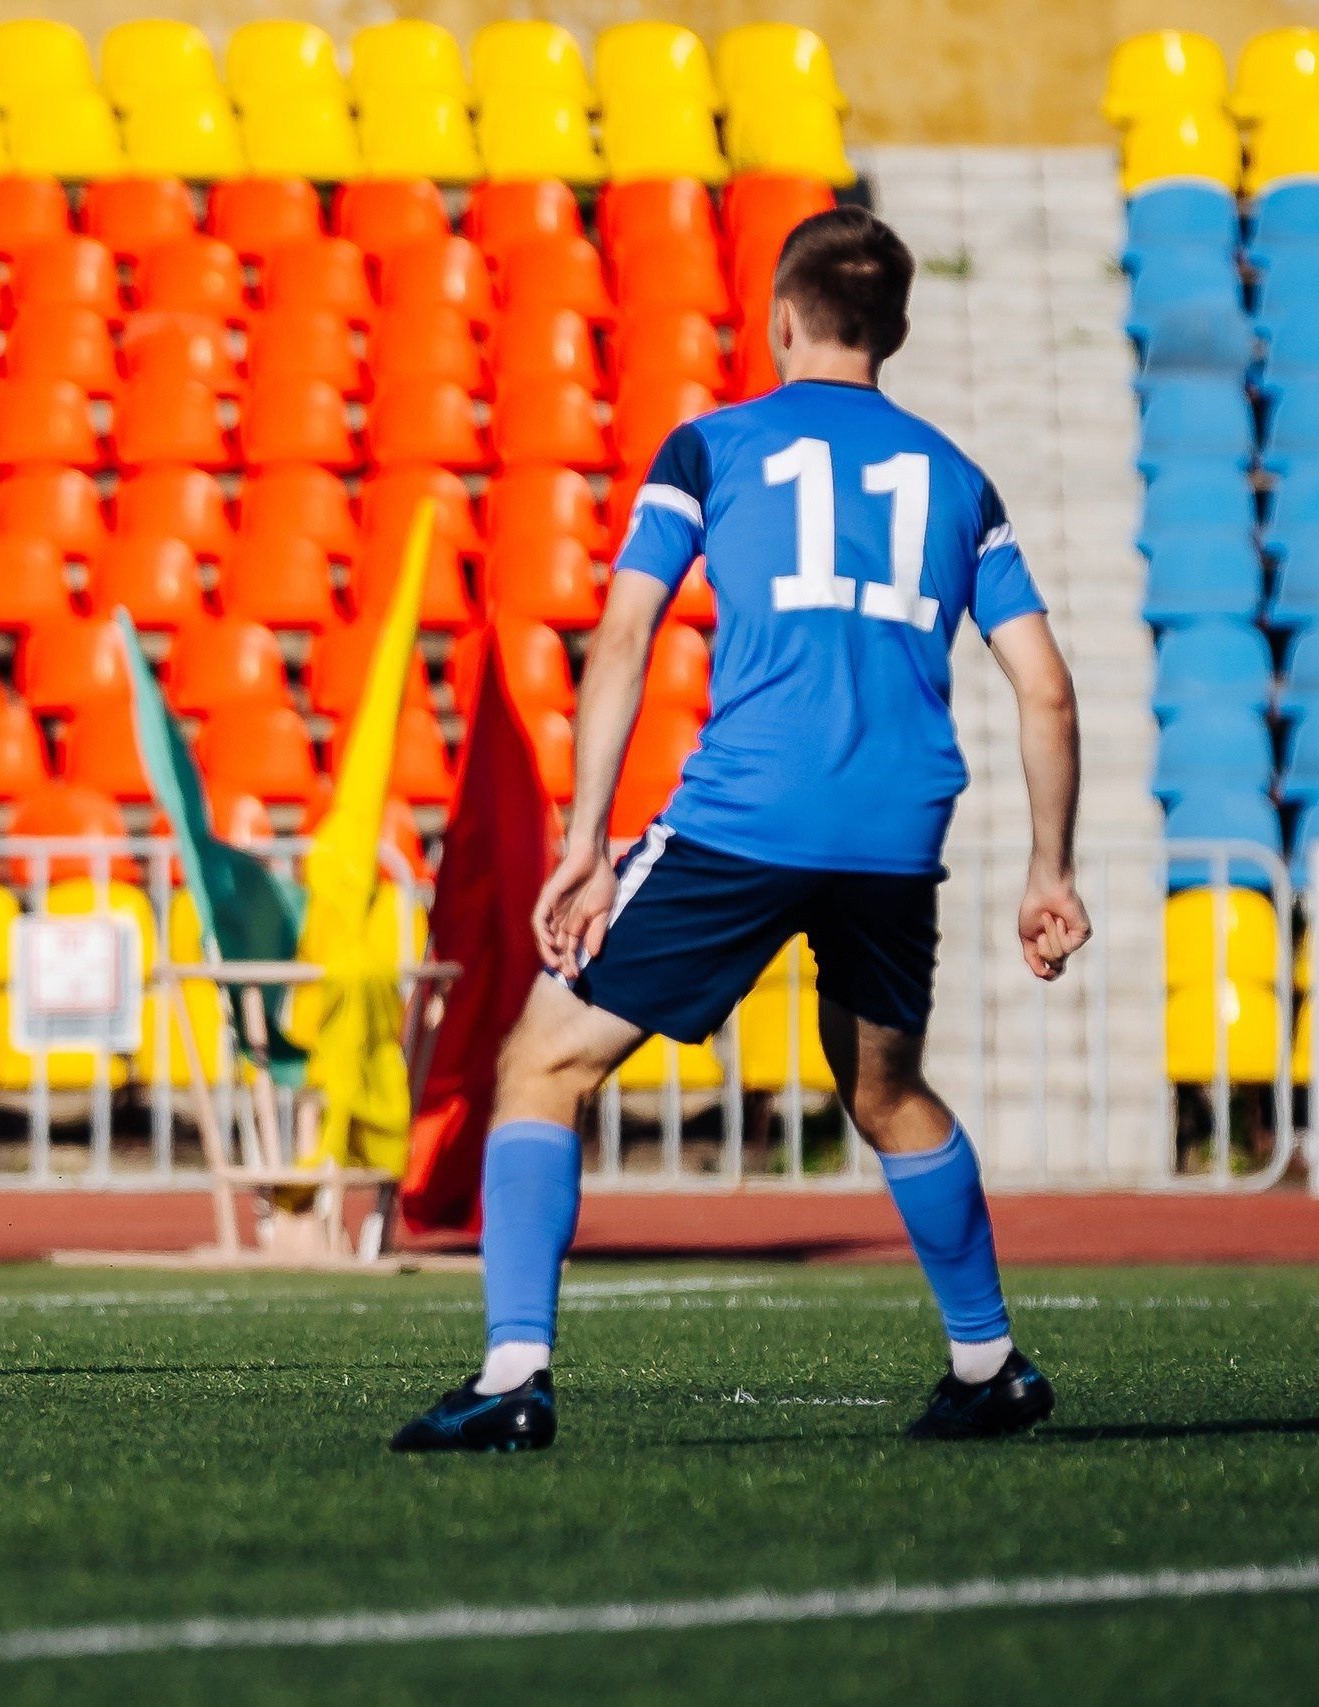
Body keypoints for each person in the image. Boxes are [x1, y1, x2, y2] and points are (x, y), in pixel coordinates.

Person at [391, 208, 1090, 1452]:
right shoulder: (955, 476)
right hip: (893, 828)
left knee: (542, 1064)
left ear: (778, 318)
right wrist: (1049, 867)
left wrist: (586, 840)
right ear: (899, 330)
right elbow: (1043, 683)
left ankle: (511, 1376)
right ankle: (987, 1364)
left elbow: (624, 633)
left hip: (747, 815)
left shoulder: (711, 446)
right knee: (886, 1095)